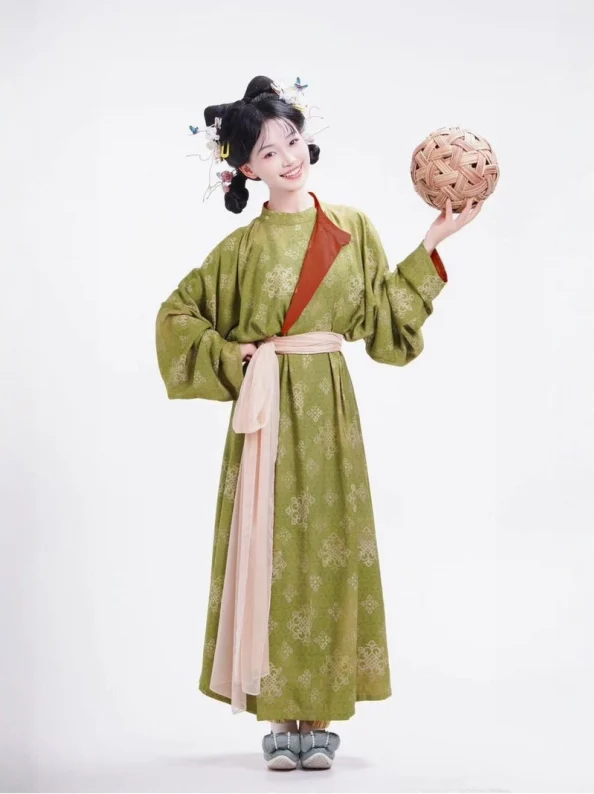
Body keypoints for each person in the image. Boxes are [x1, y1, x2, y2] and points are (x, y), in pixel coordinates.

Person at [155, 74, 483, 771]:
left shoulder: (350, 228)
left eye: (293, 141)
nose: (288, 158)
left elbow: (382, 323)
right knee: (270, 550)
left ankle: (322, 717)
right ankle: (279, 717)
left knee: (327, 550)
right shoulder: (240, 250)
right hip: (267, 413)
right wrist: (235, 354)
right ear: (246, 169)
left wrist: (432, 242)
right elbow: (177, 314)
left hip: (329, 413)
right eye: (269, 152)